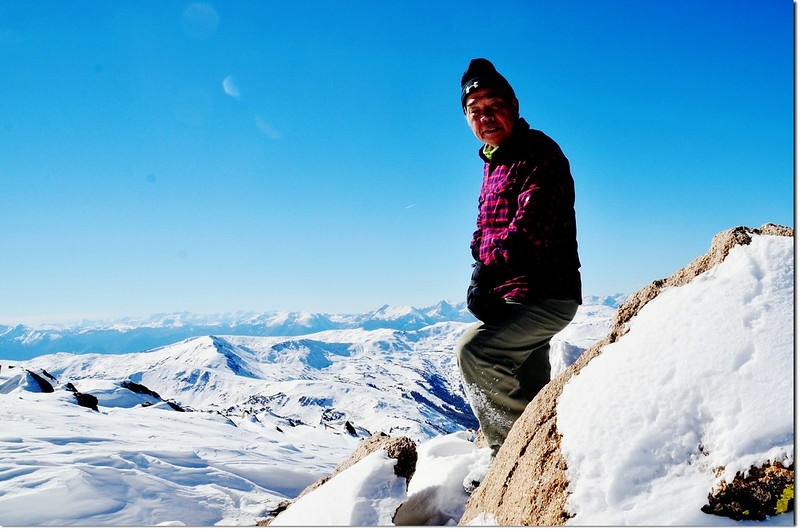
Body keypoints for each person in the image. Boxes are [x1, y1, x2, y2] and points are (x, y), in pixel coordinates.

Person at [455, 58, 582, 454]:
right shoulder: (494, 164)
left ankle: (509, 456)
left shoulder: (537, 153)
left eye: (493, 105)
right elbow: (484, 230)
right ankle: (544, 454)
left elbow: (530, 229)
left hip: (546, 293)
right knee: (530, 390)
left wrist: (486, 275)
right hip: (515, 294)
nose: (485, 116)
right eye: (475, 111)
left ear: (514, 105)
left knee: (475, 351)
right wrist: (482, 268)